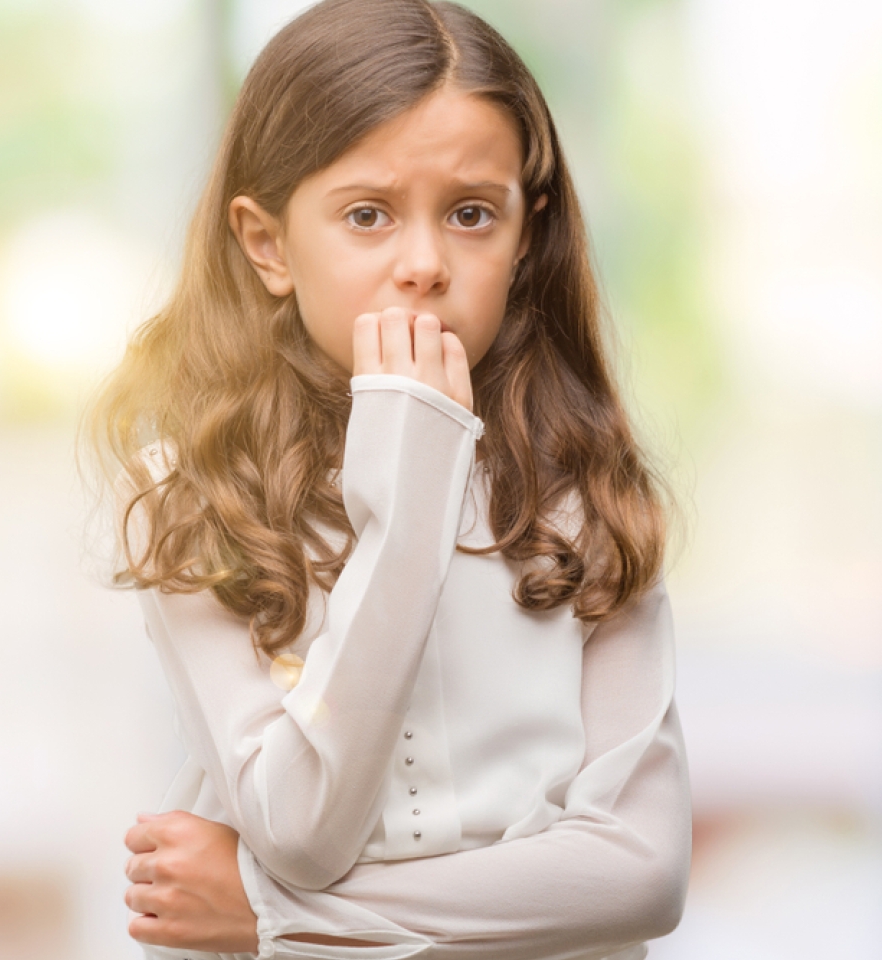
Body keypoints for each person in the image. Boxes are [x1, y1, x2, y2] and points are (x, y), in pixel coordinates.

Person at [83, 1, 691, 957]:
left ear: (526, 237)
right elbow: (301, 827)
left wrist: (275, 914)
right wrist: (406, 497)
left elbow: (639, 875)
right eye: (367, 215)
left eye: (471, 214)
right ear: (268, 244)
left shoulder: (588, 491)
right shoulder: (190, 499)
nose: (423, 264)